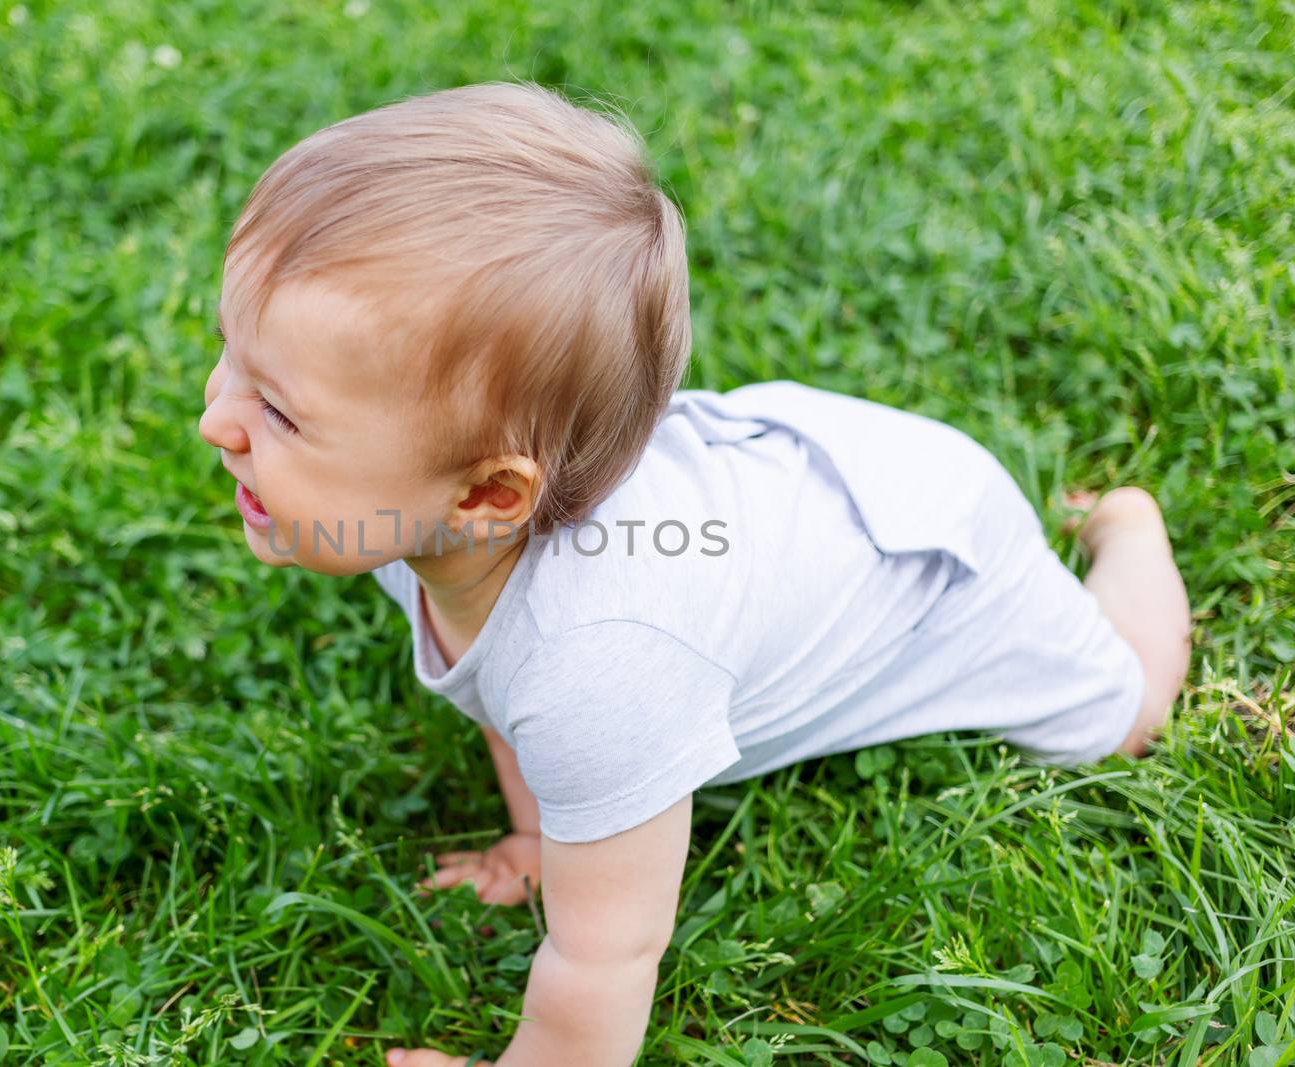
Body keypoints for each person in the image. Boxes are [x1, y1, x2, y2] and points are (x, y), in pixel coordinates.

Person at [195, 80, 1193, 1067]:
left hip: (931, 559)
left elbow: (606, 951)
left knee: (1124, 712)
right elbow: (506, 685)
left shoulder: (601, 661)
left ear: (489, 496)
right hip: (805, 480)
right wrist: (543, 837)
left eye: (279, 411)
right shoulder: (400, 515)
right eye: (230, 355)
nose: (216, 419)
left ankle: (1126, 527)